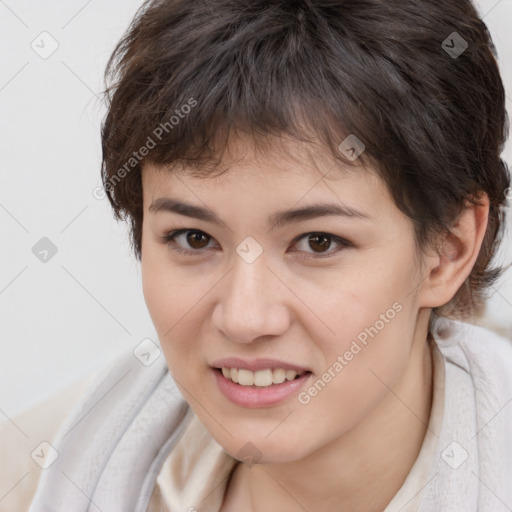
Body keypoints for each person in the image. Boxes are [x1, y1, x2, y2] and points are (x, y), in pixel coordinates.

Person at [1, 0, 511, 510]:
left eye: (318, 242)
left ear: (448, 250)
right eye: (194, 238)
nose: (245, 319)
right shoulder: (41, 471)